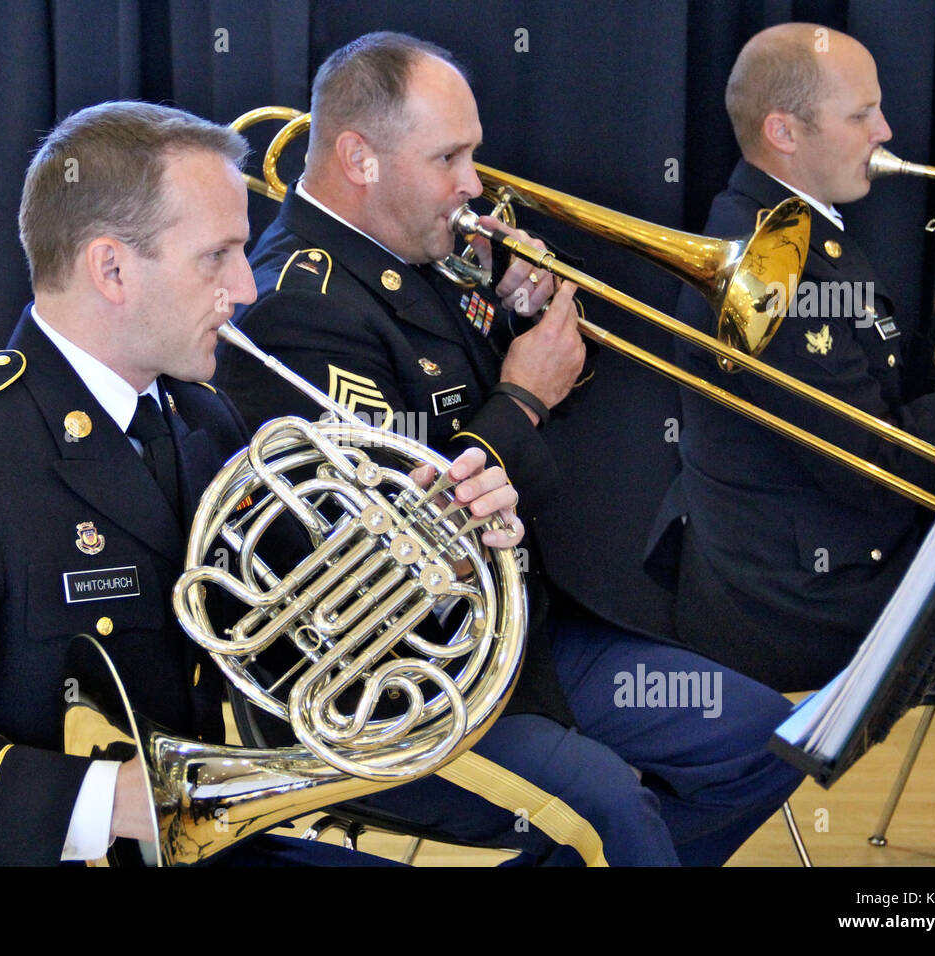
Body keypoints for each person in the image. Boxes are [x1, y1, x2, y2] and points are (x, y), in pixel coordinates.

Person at [0, 100, 523, 866]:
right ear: (111, 269)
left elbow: (309, 637)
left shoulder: (200, 417)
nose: (245, 288)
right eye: (218, 256)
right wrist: (112, 803)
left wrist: (441, 558)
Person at [214, 31, 804, 866]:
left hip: (521, 631)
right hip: (400, 680)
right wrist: (523, 393)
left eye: (472, 154)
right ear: (359, 158)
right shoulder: (296, 306)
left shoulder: (416, 249)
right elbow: (402, 546)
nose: (474, 185)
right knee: (615, 813)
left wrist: (521, 321)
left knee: (771, 740)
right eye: (448, 156)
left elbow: (492, 406)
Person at [645, 22, 935, 693]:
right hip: (805, 603)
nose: (884, 131)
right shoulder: (771, 268)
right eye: (861, 114)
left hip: (817, 557)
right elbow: (877, 468)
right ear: (783, 133)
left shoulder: (795, 229)